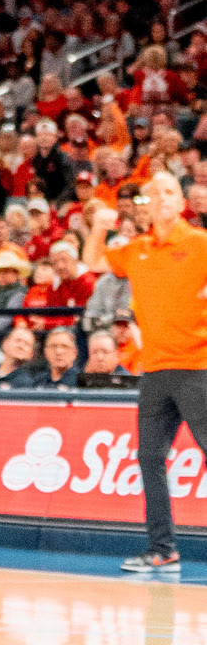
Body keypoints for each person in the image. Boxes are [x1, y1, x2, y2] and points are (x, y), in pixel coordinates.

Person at [83, 173, 207, 575]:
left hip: (198, 368)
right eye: (153, 194)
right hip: (153, 371)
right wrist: (98, 228)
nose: (162, 198)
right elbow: (93, 261)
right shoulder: (136, 249)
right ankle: (162, 549)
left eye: (169, 191)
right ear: (145, 206)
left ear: (181, 202)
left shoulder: (200, 244)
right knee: (149, 458)